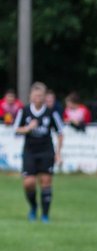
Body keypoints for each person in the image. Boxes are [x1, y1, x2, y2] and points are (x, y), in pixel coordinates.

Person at [14, 81, 64, 223]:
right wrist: (28, 128)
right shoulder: (24, 111)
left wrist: (58, 153)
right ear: (30, 96)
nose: (38, 98)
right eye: (35, 95)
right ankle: (34, 207)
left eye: (41, 95)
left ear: (44, 97)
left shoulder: (51, 112)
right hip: (29, 151)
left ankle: (45, 215)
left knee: (46, 181)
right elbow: (15, 129)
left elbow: (60, 133)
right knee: (28, 183)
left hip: (46, 151)